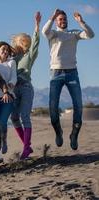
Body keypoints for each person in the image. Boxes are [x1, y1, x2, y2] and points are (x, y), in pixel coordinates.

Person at [42, 9, 94, 150]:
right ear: (57, 21)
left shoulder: (74, 34)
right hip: (56, 73)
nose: (63, 21)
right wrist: (52, 17)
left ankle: (74, 134)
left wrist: (81, 22)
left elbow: (91, 35)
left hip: (72, 73)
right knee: (53, 107)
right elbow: (44, 31)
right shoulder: (53, 33)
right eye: (60, 19)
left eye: (64, 19)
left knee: (78, 105)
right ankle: (58, 132)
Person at [10, 11, 41, 160]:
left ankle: (25, 148)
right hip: (14, 89)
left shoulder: (29, 55)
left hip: (26, 88)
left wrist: (36, 25)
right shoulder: (13, 58)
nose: (19, 44)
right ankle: (27, 146)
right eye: (18, 41)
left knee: (24, 116)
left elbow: (35, 44)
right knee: (14, 117)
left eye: (21, 41)